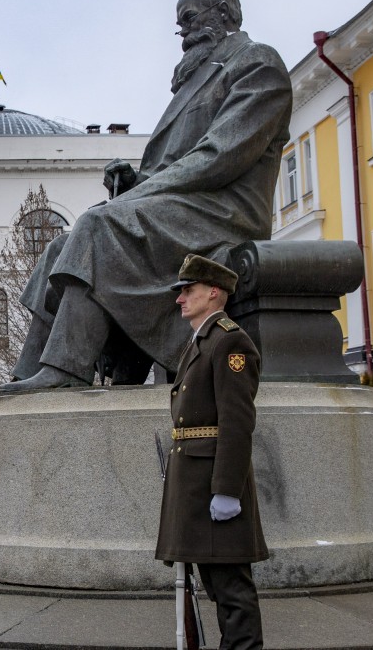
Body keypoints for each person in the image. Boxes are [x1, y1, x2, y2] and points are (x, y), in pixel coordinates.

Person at [1, 0, 291, 392]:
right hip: (184, 207)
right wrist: (137, 180)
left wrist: (141, 193)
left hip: (224, 214)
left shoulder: (257, 63)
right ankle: (30, 371)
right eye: (180, 26)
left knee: (97, 227)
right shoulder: (196, 79)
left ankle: (65, 371)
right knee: (59, 248)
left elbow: (220, 156)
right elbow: (177, 164)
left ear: (224, 13)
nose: (183, 34)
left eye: (190, 19)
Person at [156, 254, 267, 649]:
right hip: (196, 487)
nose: (180, 299)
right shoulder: (203, 341)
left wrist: (227, 490)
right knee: (218, 589)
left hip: (214, 486)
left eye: (189, 291)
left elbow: (237, 422)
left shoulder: (229, 340)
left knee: (232, 593)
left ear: (213, 292)